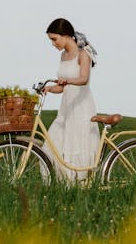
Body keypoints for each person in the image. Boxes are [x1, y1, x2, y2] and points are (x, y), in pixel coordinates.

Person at [42, 18, 100, 181]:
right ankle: (62, 183)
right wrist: (49, 89)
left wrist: (67, 81)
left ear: (65, 35)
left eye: (54, 39)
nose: (53, 44)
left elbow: (83, 79)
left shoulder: (83, 54)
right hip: (66, 108)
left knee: (77, 143)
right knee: (53, 143)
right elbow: (62, 87)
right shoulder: (63, 56)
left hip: (81, 107)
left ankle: (80, 183)